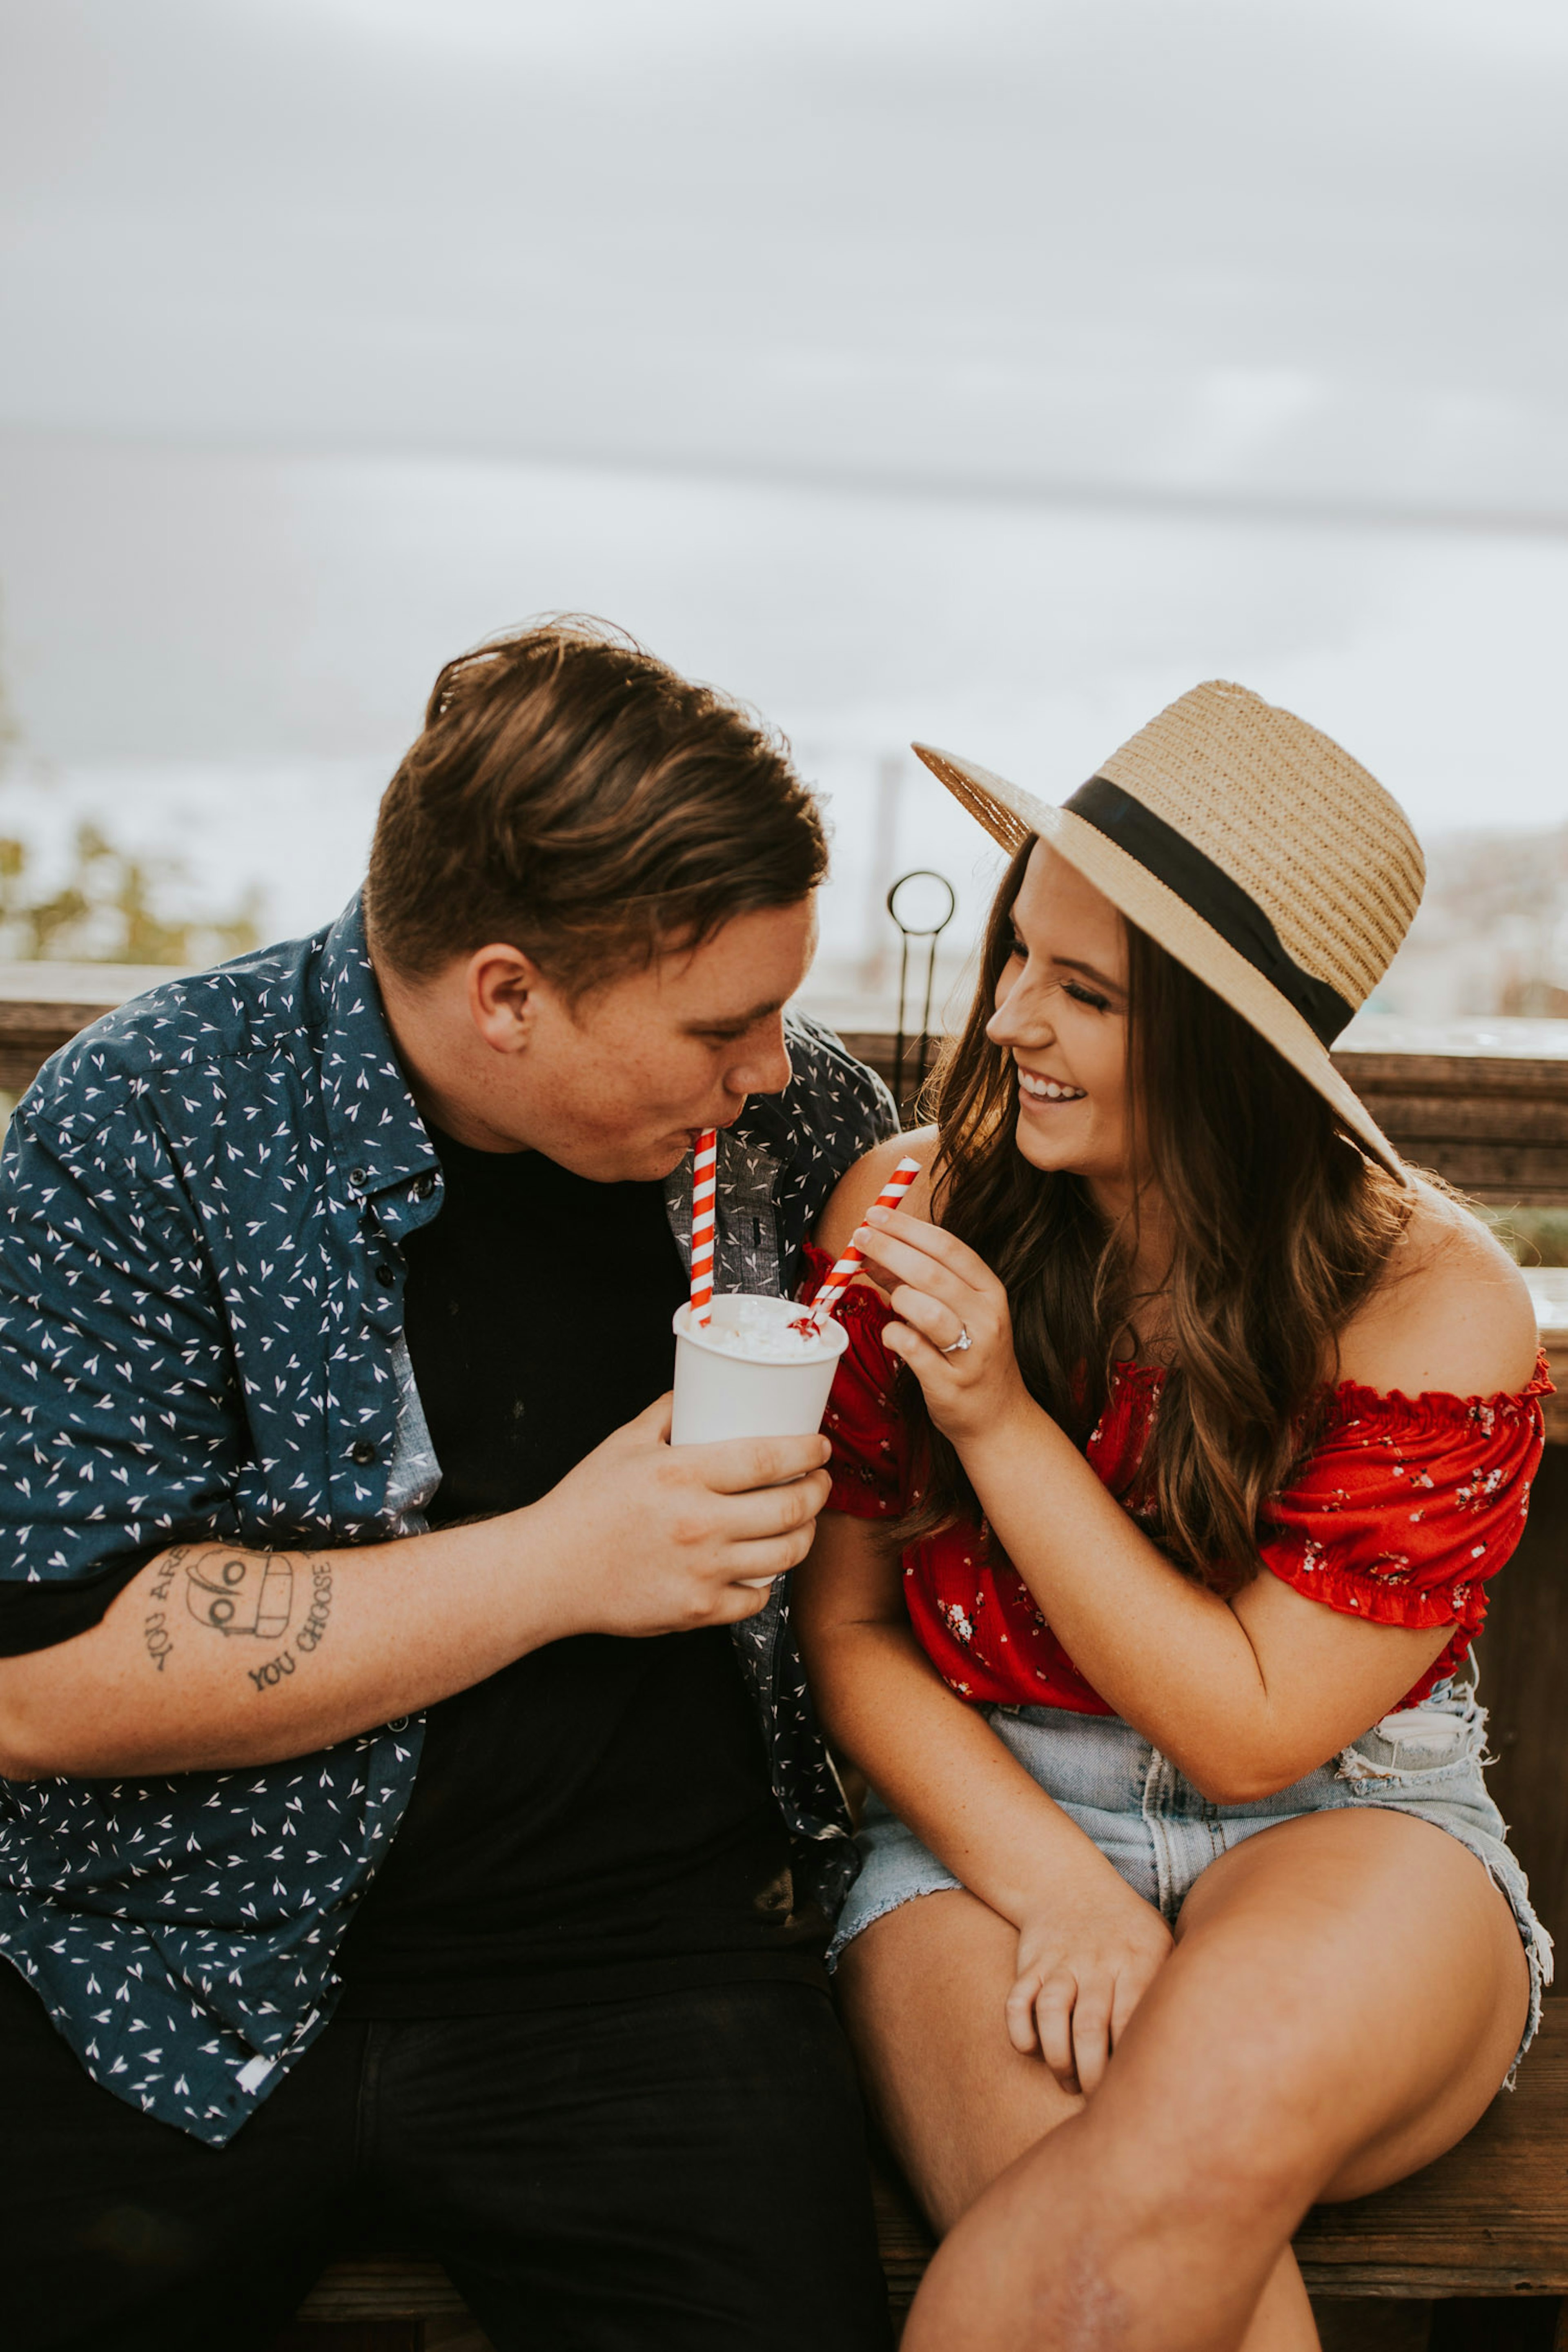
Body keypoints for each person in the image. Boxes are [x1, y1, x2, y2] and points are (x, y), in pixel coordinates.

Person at [0, 620, 897, 2352]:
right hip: (152, 1958)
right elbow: (34, 1682)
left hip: (643, 1978)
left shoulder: (789, 1134)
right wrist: (567, 1561)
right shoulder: (147, 1123)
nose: (778, 1062)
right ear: (506, 995)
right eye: (731, 1017)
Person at [793, 682, 1553, 2352]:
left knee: (1179, 2164)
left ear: (1226, 1049)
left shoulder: (1426, 1298)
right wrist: (1055, 1886)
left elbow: (1246, 1731)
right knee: (1092, 2267)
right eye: (1016, 957)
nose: (1008, 1024)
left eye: (1084, 994)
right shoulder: (913, 1208)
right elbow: (844, 1634)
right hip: (980, 1826)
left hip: (1351, 1829)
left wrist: (994, 1420)